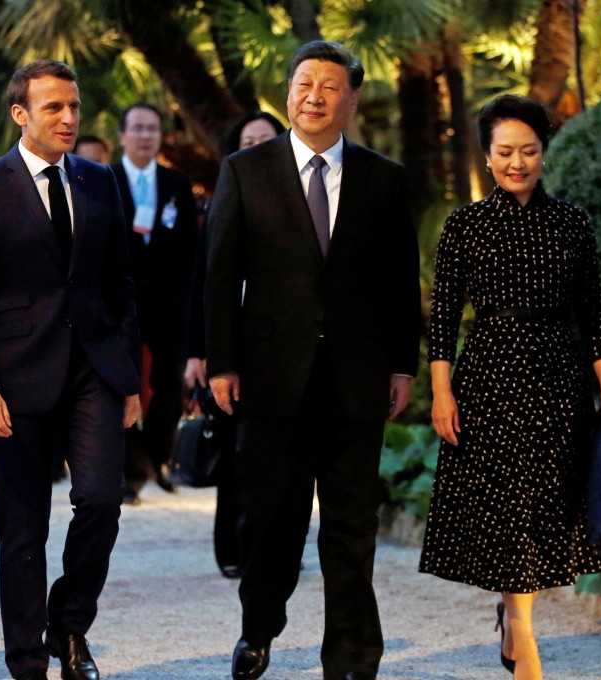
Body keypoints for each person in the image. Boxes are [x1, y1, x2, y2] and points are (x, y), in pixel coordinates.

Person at [205, 41, 421, 680]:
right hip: (271, 380)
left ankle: (352, 657)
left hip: (357, 381)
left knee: (352, 527)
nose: (316, 96)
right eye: (305, 84)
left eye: (331, 86)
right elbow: (219, 276)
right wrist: (221, 362)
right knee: (271, 521)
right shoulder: (245, 170)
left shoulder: (384, 178)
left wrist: (402, 365)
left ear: (351, 100)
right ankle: (259, 628)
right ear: (289, 92)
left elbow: (398, 281)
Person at [0, 59, 141, 680]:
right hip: (16, 377)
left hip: (94, 373)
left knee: (102, 500)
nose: (69, 118)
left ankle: (70, 625)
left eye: (74, 106)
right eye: (54, 107)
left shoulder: (100, 180)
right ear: (20, 114)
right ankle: (27, 660)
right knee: (23, 529)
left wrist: (129, 378)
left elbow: (120, 284)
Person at [419, 94, 601, 680]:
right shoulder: (466, 225)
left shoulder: (571, 222)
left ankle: (515, 619)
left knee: (543, 508)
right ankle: (525, 635)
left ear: (544, 153)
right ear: (487, 157)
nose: (517, 162)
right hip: (488, 378)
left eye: (528, 150)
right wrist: (441, 391)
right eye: (505, 151)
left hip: (558, 378)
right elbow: (442, 318)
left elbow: (594, 311)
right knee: (507, 506)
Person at [185, 111, 285, 579]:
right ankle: (231, 547)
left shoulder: (300, 200)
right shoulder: (224, 198)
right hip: (233, 346)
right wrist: (199, 351)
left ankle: (276, 550)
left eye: (267, 139)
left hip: (284, 346)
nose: (258, 148)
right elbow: (203, 283)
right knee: (235, 454)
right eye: (249, 141)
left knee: (282, 457)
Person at [110, 103, 198, 504]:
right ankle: (128, 471)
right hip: (119, 303)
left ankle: (159, 460)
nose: (145, 136)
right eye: (138, 128)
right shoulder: (103, 179)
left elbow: (188, 251)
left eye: (152, 129)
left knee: (168, 386)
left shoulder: (177, 183)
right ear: (122, 135)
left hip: (169, 305)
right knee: (121, 385)